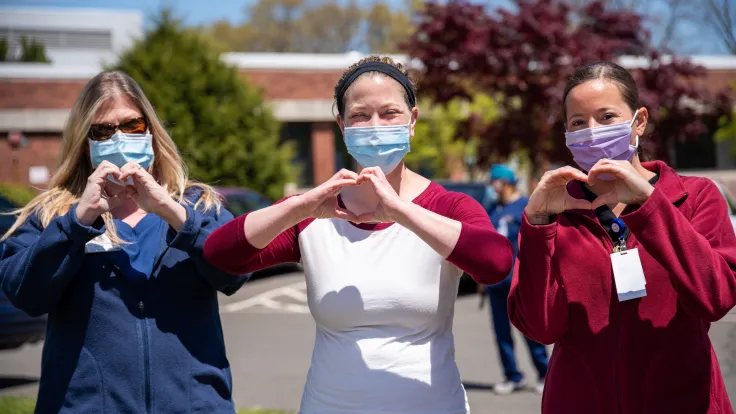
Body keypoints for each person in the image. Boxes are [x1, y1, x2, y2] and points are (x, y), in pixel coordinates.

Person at [203, 56, 514, 414]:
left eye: (390, 113)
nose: (375, 126)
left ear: (412, 121)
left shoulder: (448, 206)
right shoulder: (315, 212)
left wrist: (402, 212)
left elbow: (496, 264)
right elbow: (221, 255)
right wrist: (299, 206)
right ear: (342, 124)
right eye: (361, 115)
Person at [0, 71, 249, 413]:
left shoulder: (197, 204)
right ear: (84, 140)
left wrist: (170, 211)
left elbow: (235, 273)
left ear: (150, 129)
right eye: (103, 130)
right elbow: (24, 294)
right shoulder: (52, 214)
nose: (118, 138)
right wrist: (77, 222)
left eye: (131, 125)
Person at [508, 61, 736, 414]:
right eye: (578, 123)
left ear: (639, 121)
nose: (592, 131)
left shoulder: (695, 197)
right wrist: (537, 224)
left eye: (607, 116)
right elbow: (541, 328)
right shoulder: (553, 210)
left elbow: (716, 298)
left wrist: (650, 205)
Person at [483, 164, 548, 395]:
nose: (493, 186)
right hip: (495, 283)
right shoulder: (492, 209)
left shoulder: (525, 206)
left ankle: (544, 374)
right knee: (501, 332)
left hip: (520, 282)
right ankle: (512, 376)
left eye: (496, 181)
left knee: (529, 330)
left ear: (508, 182)